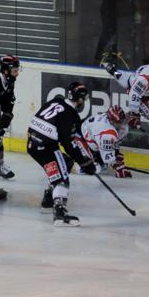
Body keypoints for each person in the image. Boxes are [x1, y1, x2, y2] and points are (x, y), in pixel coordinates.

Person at [27, 82, 97, 226]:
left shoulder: (56, 101)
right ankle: (59, 213)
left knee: (65, 163)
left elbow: (36, 120)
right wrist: (84, 162)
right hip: (47, 147)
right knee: (62, 180)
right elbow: (68, 144)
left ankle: (48, 200)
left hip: (32, 145)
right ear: (79, 99)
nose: (84, 101)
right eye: (84, 98)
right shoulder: (71, 115)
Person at [81, 105, 131, 179]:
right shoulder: (105, 131)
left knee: (103, 165)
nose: (121, 124)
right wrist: (119, 166)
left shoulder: (111, 122)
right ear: (111, 121)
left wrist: (116, 153)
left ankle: (91, 158)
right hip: (81, 140)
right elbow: (108, 159)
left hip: (92, 139)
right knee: (95, 168)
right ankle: (75, 166)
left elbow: (113, 144)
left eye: (121, 121)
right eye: (118, 123)